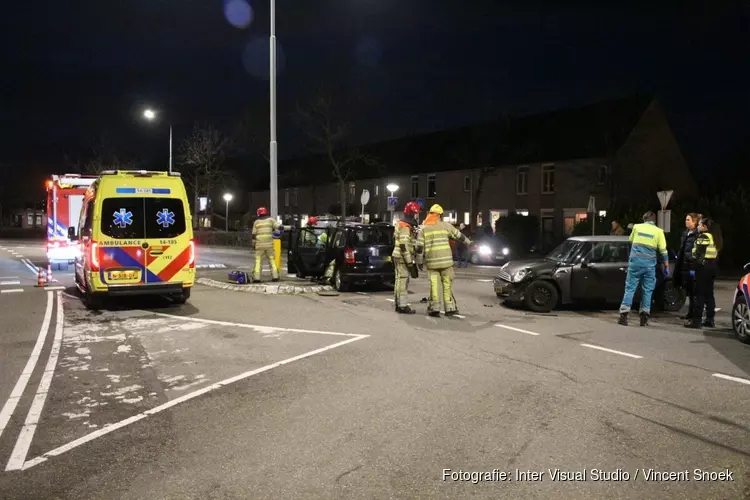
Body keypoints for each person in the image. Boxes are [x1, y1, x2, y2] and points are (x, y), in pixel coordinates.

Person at [416, 204, 471, 317]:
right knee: (447, 285)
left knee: (434, 285)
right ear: (440, 215)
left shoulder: (424, 229)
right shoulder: (446, 226)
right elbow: (459, 236)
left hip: (432, 263)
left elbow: (419, 247)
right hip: (446, 263)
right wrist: (469, 243)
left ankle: (434, 309)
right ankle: (450, 308)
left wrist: (419, 261)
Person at [618, 211, 668, 327]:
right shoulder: (659, 231)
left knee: (630, 289)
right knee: (647, 290)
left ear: (644, 219)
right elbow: (663, 251)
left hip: (635, 264)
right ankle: (644, 318)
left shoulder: (636, 227)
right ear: (654, 221)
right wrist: (666, 266)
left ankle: (624, 316)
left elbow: (631, 241)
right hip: (649, 266)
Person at [685, 217, 721, 328]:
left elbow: (699, 254)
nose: (698, 226)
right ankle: (710, 319)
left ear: (705, 227)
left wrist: (693, 263)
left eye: (700, 225)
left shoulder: (704, 236)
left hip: (703, 267)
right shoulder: (714, 237)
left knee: (699, 294)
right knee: (709, 293)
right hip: (712, 265)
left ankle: (696, 320)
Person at [392, 201, 421, 314]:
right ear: (411, 213)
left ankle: (398, 304)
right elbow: (404, 245)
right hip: (401, 257)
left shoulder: (404, 224)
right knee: (403, 280)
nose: (417, 215)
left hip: (398, 255)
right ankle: (403, 305)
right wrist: (409, 262)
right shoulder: (405, 227)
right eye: (416, 213)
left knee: (399, 280)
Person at [673, 213, 700, 319]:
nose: (686, 221)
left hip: (692, 266)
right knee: (688, 290)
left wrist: (691, 260)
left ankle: (695, 315)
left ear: (694, 222)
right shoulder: (685, 233)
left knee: (694, 291)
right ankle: (690, 313)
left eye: (688, 220)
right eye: (686, 219)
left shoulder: (697, 234)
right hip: (684, 265)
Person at [251, 206, 281, 282]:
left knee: (258, 261)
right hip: (269, 245)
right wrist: (282, 227)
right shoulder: (270, 220)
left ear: (258, 214)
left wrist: (253, 245)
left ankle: (256, 278)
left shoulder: (256, 222)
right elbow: (277, 226)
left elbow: (253, 234)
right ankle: (275, 276)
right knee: (271, 259)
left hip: (259, 245)